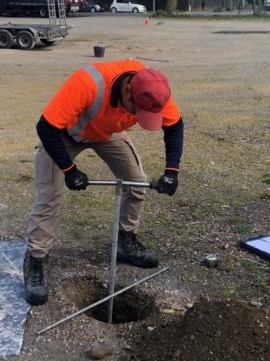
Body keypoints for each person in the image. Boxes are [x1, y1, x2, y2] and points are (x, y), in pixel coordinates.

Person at [25, 59, 184, 306]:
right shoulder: (89, 82)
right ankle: (36, 259)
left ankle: (126, 242)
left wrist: (171, 171)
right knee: (50, 196)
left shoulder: (155, 89)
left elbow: (174, 127)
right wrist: (70, 170)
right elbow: (46, 127)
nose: (135, 115)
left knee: (137, 182)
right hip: (63, 135)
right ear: (128, 88)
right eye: (135, 108)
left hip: (106, 133)